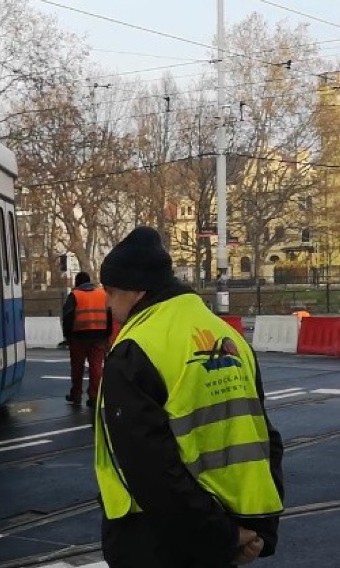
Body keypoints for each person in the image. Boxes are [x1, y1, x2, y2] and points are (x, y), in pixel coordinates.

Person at [94, 226, 284, 568]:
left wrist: (219, 536)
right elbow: (262, 437)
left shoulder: (135, 349)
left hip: (158, 541)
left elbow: (151, 469)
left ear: (136, 290)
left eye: (111, 293)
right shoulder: (230, 338)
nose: (108, 305)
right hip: (230, 527)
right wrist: (255, 531)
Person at [62, 271, 111, 408]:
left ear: (77, 282)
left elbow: (67, 317)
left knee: (77, 367)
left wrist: (67, 336)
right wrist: (108, 334)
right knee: (96, 367)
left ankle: (76, 395)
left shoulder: (75, 295)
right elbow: (110, 314)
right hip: (100, 336)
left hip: (79, 337)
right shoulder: (102, 294)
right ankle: (94, 396)